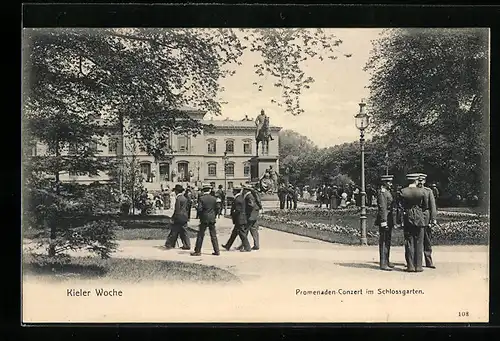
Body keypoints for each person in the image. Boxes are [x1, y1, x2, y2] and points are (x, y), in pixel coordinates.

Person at [400, 173, 428, 272]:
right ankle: (418, 266)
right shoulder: (422, 191)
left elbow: (401, 206)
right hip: (419, 217)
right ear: (416, 181)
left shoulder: (403, 191)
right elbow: (425, 205)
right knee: (419, 242)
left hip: (408, 217)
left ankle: (410, 266)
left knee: (409, 241)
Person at [191, 184, 220, 256]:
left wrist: (197, 208)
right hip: (212, 218)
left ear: (203, 191)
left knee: (201, 235)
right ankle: (217, 251)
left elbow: (200, 209)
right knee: (213, 235)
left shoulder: (201, 198)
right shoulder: (214, 198)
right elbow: (217, 208)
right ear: (210, 190)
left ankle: (197, 251)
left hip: (204, 218)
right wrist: (214, 215)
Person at [375, 175, 397, 271]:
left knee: (388, 240)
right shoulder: (382, 192)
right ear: (384, 183)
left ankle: (387, 260)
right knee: (384, 241)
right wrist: (384, 220)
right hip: (385, 218)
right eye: (389, 182)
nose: (391, 184)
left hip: (389, 217)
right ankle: (383, 263)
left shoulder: (387, 192)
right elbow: (382, 207)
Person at [221, 185, 252, 252]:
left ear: (235, 191)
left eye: (233, 191)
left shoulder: (238, 199)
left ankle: (247, 248)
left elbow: (237, 210)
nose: (232, 192)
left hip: (239, 219)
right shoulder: (240, 197)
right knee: (234, 233)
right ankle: (227, 246)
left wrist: (232, 215)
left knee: (242, 234)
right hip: (240, 219)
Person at [418, 173, 437, 269]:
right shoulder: (413, 191)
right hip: (416, 218)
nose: (420, 182)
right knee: (416, 240)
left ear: (424, 181)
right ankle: (417, 262)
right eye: (418, 180)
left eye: (422, 180)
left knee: (427, 240)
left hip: (425, 218)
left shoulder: (428, 191)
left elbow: (432, 206)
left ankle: (429, 261)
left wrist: (433, 219)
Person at [165, 184, 191, 250]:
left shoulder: (178, 199)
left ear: (177, 191)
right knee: (184, 232)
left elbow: (177, 210)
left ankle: (170, 244)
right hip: (184, 217)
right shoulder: (185, 198)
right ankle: (187, 244)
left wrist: (173, 218)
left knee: (174, 231)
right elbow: (187, 209)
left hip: (179, 217)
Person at [237, 183, 262, 251]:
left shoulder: (248, 196)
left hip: (250, 216)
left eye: (243, 189)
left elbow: (251, 205)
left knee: (244, 231)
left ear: (246, 190)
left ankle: (245, 247)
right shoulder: (252, 195)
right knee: (254, 230)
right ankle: (256, 245)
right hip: (254, 215)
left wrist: (246, 211)